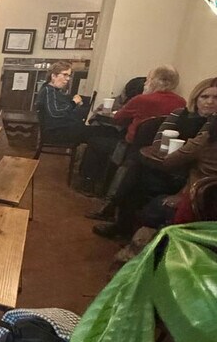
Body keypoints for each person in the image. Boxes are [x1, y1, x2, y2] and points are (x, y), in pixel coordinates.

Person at [92, 76, 217, 237]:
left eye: (215, 98)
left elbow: (192, 155)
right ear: (196, 97)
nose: (209, 102)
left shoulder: (212, 128)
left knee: (134, 169)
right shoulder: (179, 113)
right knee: (134, 168)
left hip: (185, 174)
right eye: (204, 97)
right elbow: (159, 138)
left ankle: (117, 216)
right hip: (166, 163)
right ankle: (121, 220)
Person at [79, 66, 185, 193]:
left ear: (155, 81)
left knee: (95, 142)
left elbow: (118, 118)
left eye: (148, 79)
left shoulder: (141, 99)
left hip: (132, 147)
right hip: (159, 149)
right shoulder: (181, 102)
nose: (145, 83)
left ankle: (89, 183)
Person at [35, 60, 90, 144]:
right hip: (56, 133)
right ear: (53, 76)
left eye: (69, 75)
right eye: (65, 75)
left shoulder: (52, 90)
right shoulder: (49, 91)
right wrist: (73, 103)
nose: (68, 79)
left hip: (61, 129)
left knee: (96, 133)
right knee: (97, 135)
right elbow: (55, 113)